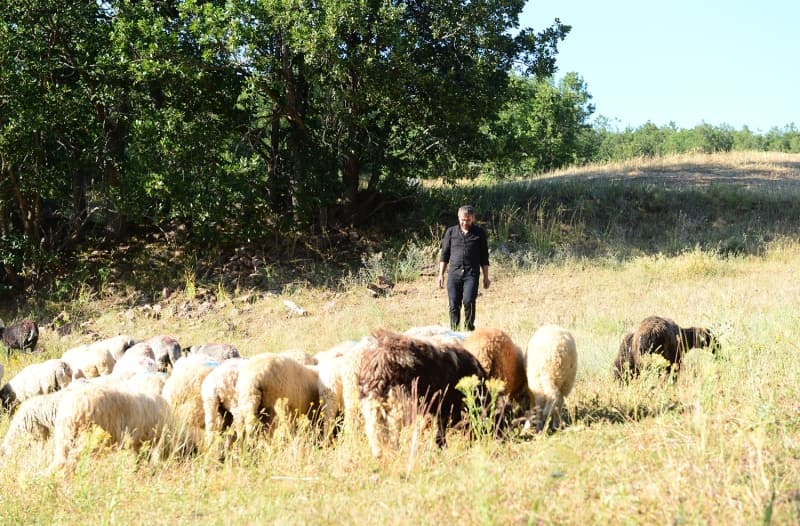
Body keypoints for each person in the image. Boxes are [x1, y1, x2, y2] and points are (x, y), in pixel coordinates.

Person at [438, 205, 490, 331]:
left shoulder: (479, 233)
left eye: (468, 220)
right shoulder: (451, 232)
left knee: (468, 301)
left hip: (471, 274)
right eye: (462, 219)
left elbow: (484, 257)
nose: (465, 222)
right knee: (454, 304)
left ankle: (468, 330)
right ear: (458, 217)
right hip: (454, 274)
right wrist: (441, 275)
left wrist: (486, 277)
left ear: (473, 218)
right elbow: (445, 254)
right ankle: (454, 332)